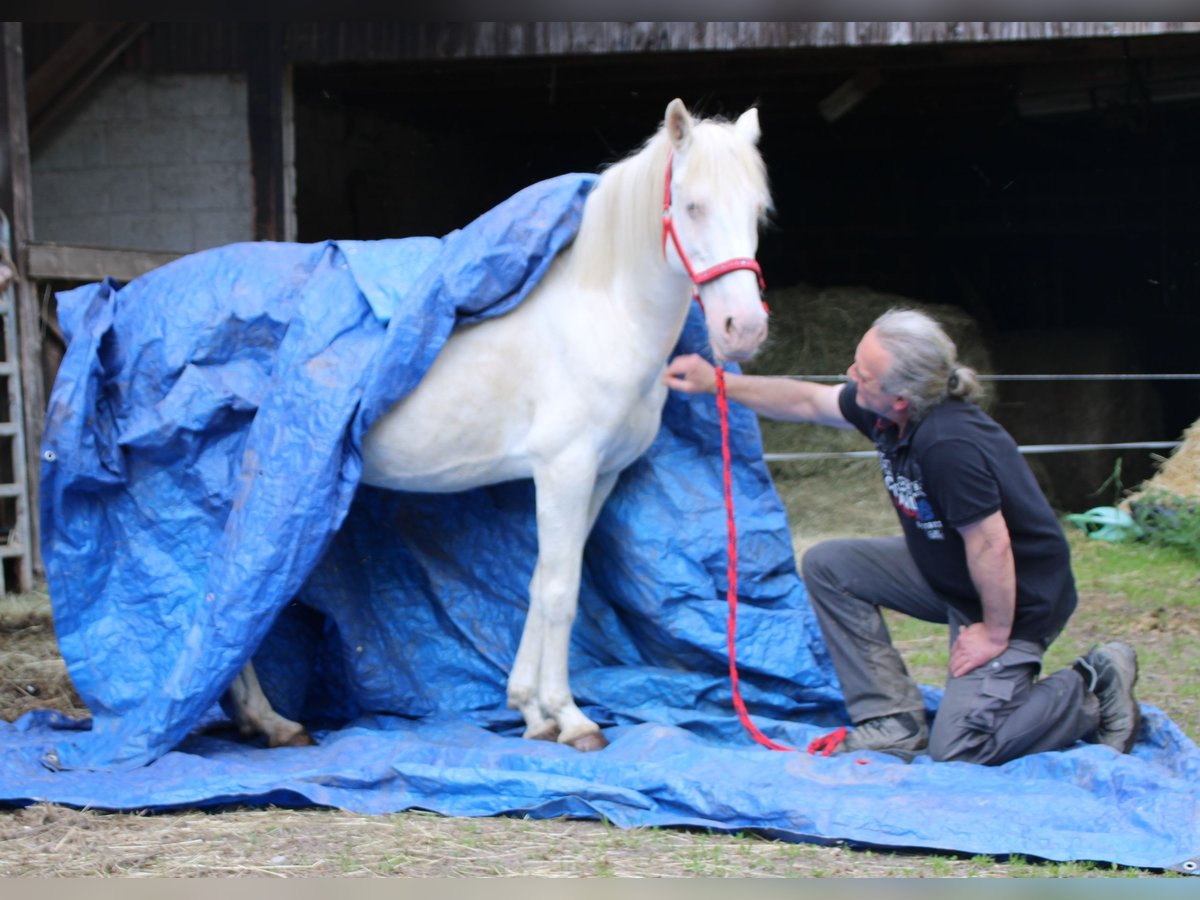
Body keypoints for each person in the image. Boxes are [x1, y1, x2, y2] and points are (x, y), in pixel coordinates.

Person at [663, 307, 1141, 765]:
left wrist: (994, 634)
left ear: (900, 398)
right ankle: (890, 719)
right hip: (950, 571)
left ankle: (1092, 685)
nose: (850, 373)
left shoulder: (949, 444)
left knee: (962, 747)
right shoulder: (889, 412)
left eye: (864, 374)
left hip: (1014, 598)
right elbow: (808, 401)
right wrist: (718, 383)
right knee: (831, 565)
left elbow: (990, 544)